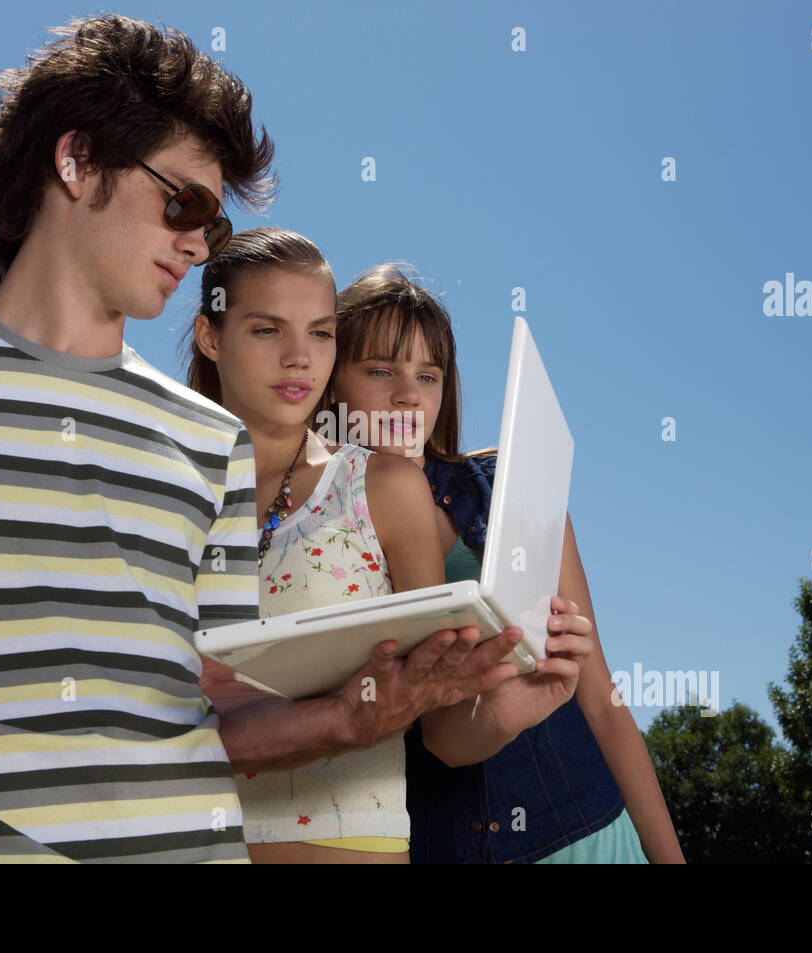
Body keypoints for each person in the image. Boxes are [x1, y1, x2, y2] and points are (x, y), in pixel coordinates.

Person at [0, 17, 501, 865]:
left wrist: (355, 715)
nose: (200, 241)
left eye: (211, 216)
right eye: (184, 201)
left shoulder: (211, 443)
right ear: (76, 161)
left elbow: (222, 715)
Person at [184, 229, 596, 862]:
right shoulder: (168, 492)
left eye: (320, 333)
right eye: (268, 330)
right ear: (211, 337)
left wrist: (510, 707)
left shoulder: (382, 486)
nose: (299, 357)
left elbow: (445, 730)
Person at [327, 263, 687, 863]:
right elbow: (432, 736)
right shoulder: (317, 538)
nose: (408, 394)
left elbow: (601, 701)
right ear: (332, 383)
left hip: (591, 834)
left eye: (428, 374)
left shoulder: (505, 486)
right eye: (380, 370)